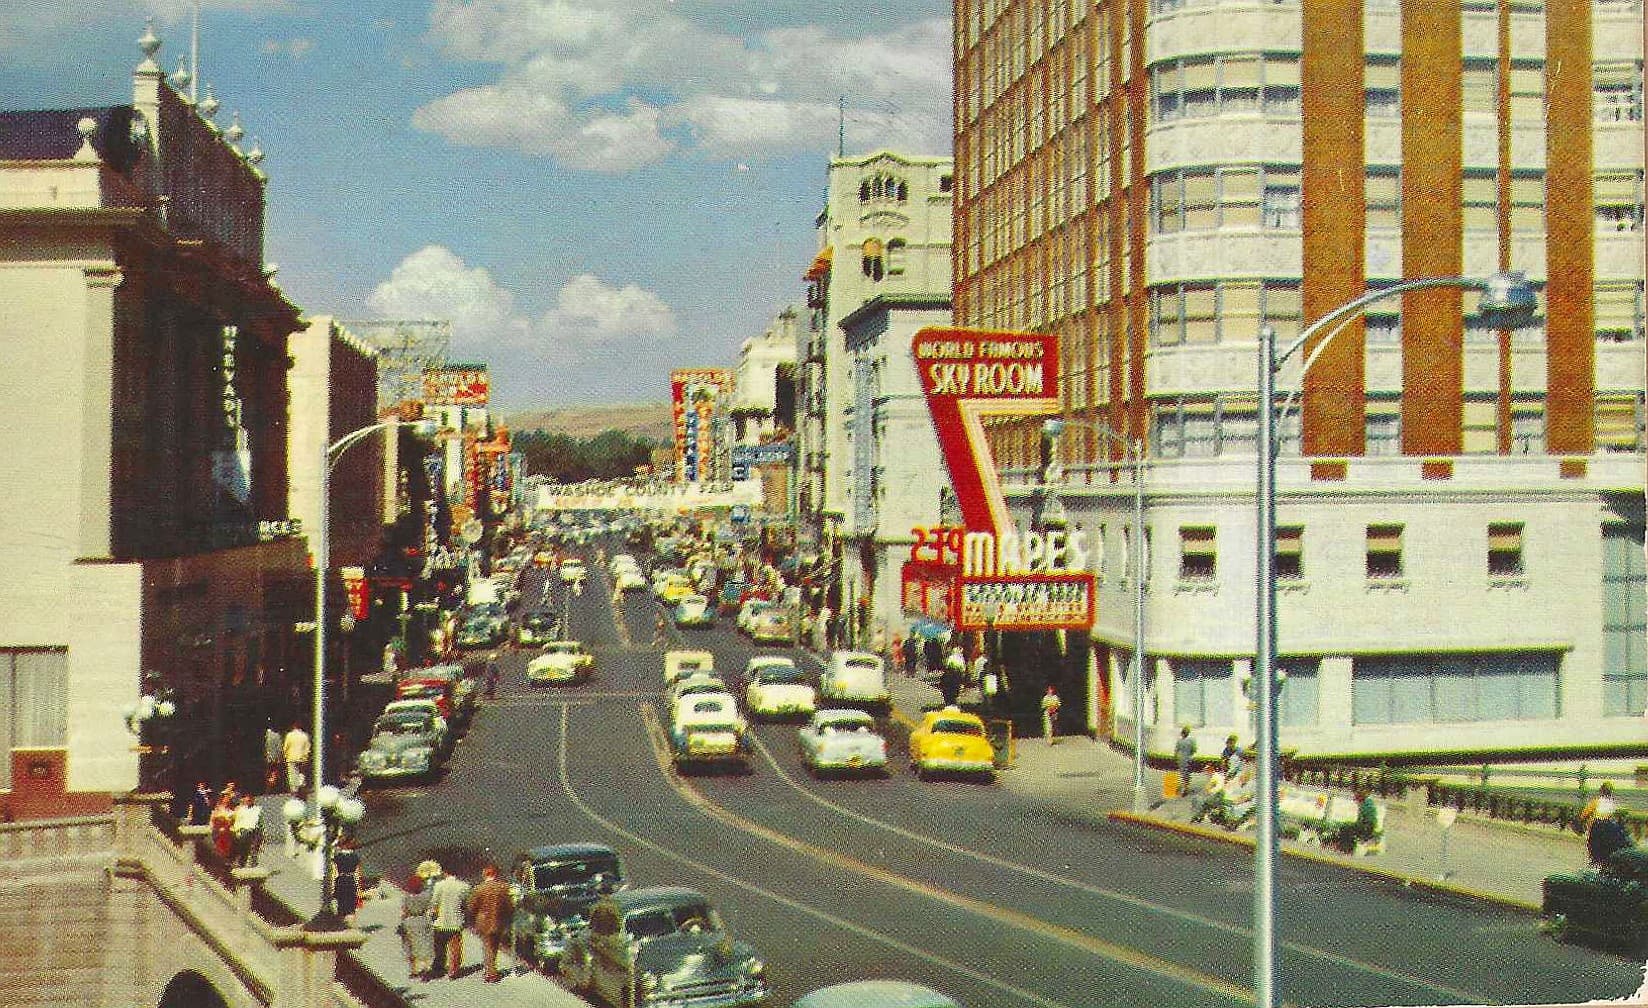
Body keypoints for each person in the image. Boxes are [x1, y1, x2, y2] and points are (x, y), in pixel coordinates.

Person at [466, 865, 515, 982]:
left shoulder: (479, 888)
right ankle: (491, 969)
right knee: (495, 945)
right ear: (495, 874)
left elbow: (472, 907)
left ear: (485, 874)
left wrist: (471, 919)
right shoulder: (504, 887)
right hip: (499, 921)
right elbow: (510, 906)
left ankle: (490, 973)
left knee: (487, 946)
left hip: (483, 922)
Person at [428, 863, 472, 979]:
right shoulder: (464, 886)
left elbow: (434, 903)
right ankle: (453, 971)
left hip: (440, 921)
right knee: (455, 947)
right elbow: (467, 905)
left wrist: (432, 915)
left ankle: (439, 969)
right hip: (456, 921)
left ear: (445, 872)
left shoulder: (439, 885)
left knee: (439, 947)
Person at [398, 871, 436, 981]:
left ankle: (414, 969)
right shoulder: (426, 896)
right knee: (426, 944)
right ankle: (426, 967)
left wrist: (402, 922)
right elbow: (432, 909)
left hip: (410, 921)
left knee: (410, 946)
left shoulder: (406, 897)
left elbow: (404, 911)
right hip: (423, 920)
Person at [332, 835, 362, 925]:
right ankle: (349, 924)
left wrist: (333, 886)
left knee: (341, 902)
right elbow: (357, 873)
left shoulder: (338, 856)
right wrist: (358, 887)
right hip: (350, 880)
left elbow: (334, 872)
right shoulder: (355, 857)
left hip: (341, 880)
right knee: (350, 903)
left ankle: (341, 923)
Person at [231, 794, 263, 868]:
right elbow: (237, 821)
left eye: (250, 800)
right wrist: (237, 830)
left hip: (253, 830)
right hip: (242, 831)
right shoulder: (240, 810)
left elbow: (257, 822)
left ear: (253, 800)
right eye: (247, 800)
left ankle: (251, 862)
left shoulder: (257, 809)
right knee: (242, 843)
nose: (248, 801)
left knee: (251, 843)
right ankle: (240, 862)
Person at [282, 721, 311, 795]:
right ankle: (301, 784)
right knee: (301, 773)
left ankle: (294, 789)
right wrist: (306, 757)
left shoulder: (289, 735)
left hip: (291, 757)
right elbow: (307, 748)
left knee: (292, 773)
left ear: (293, 726)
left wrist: (284, 756)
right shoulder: (305, 736)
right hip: (302, 757)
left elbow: (286, 747)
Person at [209, 792, 236, 860]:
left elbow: (231, 822)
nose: (227, 800)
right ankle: (219, 856)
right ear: (222, 799)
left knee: (225, 836)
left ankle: (224, 856)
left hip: (226, 829)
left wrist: (225, 827)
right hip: (217, 829)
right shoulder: (217, 809)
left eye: (228, 799)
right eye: (225, 798)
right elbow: (212, 820)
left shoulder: (231, 810)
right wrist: (213, 826)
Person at [1174, 727, 1198, 799]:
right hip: (1188, 759)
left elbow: (1176, 750)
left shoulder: (1179, 740)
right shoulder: (1191, 740)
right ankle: (1185, 788)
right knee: (1186, 774)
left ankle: (1184, 788)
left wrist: (1175, 758)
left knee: (1183, 773)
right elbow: (1194, 750)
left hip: (1181, 759)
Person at [263, 723, 283, 794]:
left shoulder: (267, 735)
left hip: (268, 758)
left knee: (268, 773)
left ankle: (268, 788)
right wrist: (279, 758)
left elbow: (265, 747)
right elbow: (279, 748)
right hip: (275, 758)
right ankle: (273, 787)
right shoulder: (278, 735)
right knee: (274, 773)